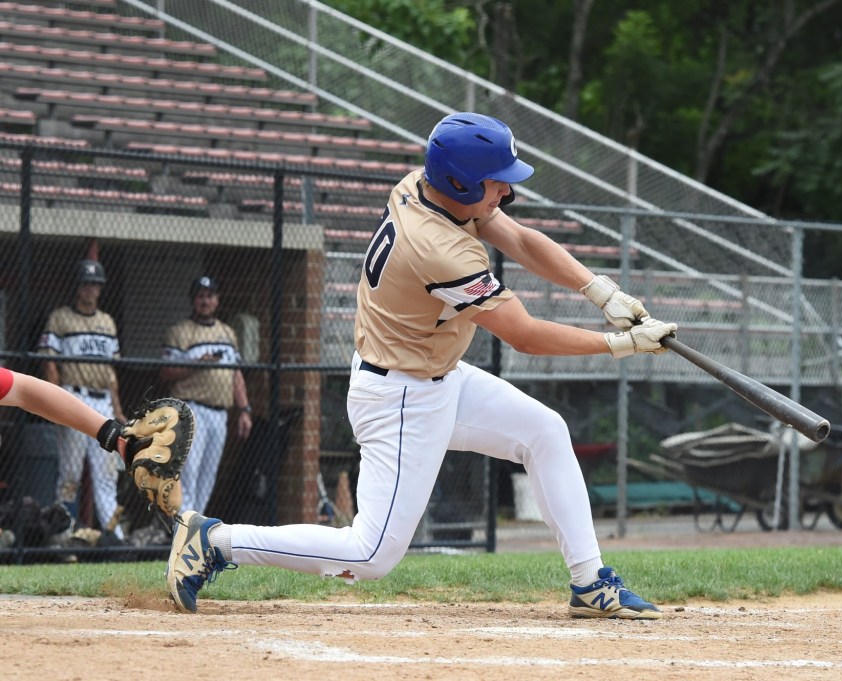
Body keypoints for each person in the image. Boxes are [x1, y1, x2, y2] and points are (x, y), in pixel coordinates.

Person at [167, 112, 677, 619]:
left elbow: (518, 239)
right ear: (460, 181)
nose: (506, 192)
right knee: (369, 554)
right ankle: (217, 540)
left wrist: (599, 290)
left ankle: (590, 582)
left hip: (436, 374)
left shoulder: (425, 185)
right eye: (497, 183)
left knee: (545, 431)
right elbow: (524, 335)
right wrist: (621, 345)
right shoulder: (440, 251)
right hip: (401, 396)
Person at [38, 259, 126, 539]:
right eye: (86, 283)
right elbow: (49, 363)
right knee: (70, 475)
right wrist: (56, 402)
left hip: (102, 401)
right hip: (73, 396)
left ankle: (115, 539)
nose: (90, 289)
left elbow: (111, 373)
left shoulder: (107, 322)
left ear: (100, 289)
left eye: (95, 284)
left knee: (106, 476)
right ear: (77, 286)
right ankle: (63, 537)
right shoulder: (61, 318)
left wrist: (118, 409)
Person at [159, 276, 252, 516]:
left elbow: (236, 375)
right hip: (191, 409)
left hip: (219, 413)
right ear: (193, 300)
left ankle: (193, 531)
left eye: (209, 296)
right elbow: (166, 371)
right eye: (200, 296)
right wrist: (196, 365)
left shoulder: (227, 333)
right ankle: (183, 530)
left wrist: (244, 410)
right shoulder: (181, 331)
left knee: (208, 476)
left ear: (217, 300)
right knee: (188, 473)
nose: (205, 301)